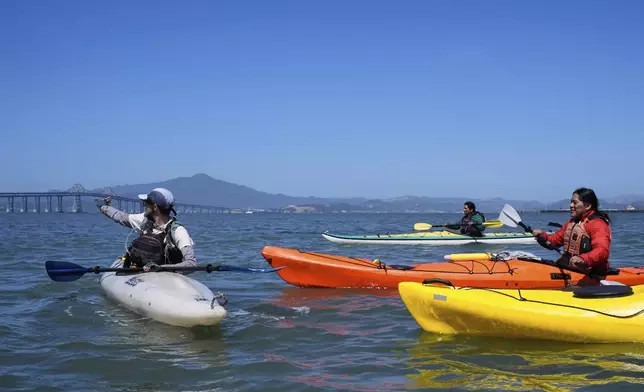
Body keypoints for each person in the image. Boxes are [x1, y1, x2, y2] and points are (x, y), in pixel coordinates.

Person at [97, 187, 197, 272]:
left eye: (146, 203)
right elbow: (120, 217)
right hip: (145, 273)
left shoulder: (178, 231)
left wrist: (161, 268)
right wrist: (102, 206)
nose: (144, 205)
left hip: (169, 276)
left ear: (154, 207)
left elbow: (191, 263)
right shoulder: (144, 220)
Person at [532, 187, 611, 276]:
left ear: (588, 206)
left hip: (591, 273)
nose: (571, 205)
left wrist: (583, 259)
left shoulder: (597, 224)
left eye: (575, 202)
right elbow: (554, 241)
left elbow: (602, 251)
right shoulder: (571, 223)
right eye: (571, 202)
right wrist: (543, 236)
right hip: (570, 269)